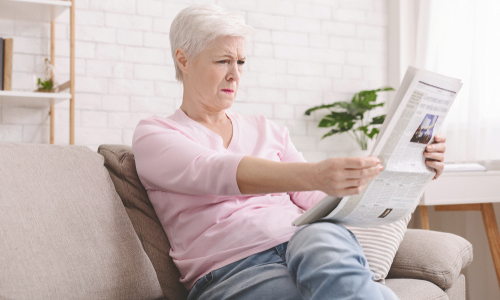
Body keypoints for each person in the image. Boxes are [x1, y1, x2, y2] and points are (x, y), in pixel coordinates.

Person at [132, 5, 447, 300]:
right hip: (234, 272)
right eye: (222, 61)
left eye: (240, 62)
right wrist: (316, 174)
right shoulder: (155, 135)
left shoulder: (267, 129)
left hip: (305, 243)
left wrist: (412, 167)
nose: (235, 74)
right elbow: (214, 170)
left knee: (321, 237)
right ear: (183, 60)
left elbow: (319, 202)